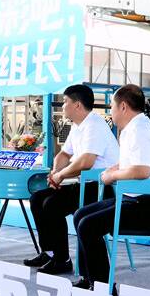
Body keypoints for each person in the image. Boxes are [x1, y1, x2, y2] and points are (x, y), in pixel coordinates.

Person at [73, 84, 150, 296]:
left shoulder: (140, 130)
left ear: (124, 107)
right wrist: (114, 168)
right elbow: (132, 163)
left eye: (112, 106)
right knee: (81, 215)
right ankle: (90, 278)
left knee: (88, 225)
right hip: (136, 200)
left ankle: (103, 289)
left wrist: (112, 176)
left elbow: (142, 170)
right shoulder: (133, 128)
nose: (111, 111)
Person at [23, 84, 119, 275]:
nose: (63, 106)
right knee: (37, 199)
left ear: (77, 105)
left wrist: (61, 175)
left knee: (52, 204)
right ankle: (49, 252)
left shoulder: (95, 125)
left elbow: (86, 162)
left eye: (65, 102)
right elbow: (64, 154)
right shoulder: (77, 126)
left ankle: (62, 260)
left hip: (102, 188)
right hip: (84, 185)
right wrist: (55, 171)